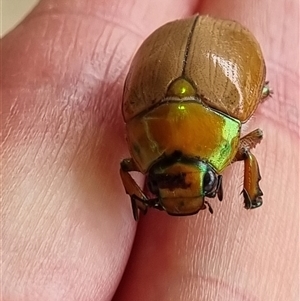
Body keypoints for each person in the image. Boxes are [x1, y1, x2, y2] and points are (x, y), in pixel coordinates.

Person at [1, 0, 299, 300]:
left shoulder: (160, 136)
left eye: (160, 184)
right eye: (205, 184)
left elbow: (127, 167)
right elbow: (248, 146)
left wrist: (140, 198)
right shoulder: (167, 131)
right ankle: (253, 197)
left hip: (174, 47)